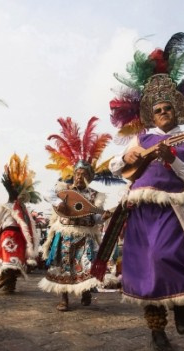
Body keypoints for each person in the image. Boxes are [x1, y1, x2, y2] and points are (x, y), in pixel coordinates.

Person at [107, 32, 184, 351]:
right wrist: (127, 158)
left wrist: (172, 160)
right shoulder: (142, 139)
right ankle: (157, 332)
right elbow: (117, 167)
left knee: (164, 257)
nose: (163, 112)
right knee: (144, 268)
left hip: (174, 210)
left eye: (167, 108)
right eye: (157, 109)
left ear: (177, 110)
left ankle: (182, 302)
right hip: (140, 211)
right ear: (151, 113)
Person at [38, 117, 119, 311]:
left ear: (89, 177)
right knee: (62, 266)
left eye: (84, 174)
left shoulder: (95, 195)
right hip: (64, 233)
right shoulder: (63, 189)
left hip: (84, 235)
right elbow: (49, 195)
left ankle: (85, 291)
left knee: (86, 265)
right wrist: (62, 202)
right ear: (73, 174)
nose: (80, 176)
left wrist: (106, 215)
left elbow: (97, 218)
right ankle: (64, 299)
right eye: (77, 173)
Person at [0, 153, 41, 293]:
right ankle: (9, 284)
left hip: (8, 235)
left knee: (7, 261)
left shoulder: (9, 206)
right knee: (11, 262)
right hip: (20, 238)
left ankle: (8, 281)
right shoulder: (23, 209)